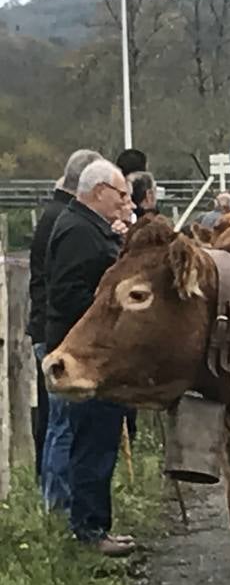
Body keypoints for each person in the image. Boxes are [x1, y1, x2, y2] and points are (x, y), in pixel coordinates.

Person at [43, 158, 137, 557]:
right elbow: (66, 296)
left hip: (89, 353)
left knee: (96, 442)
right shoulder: (80, 232)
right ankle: (89, 529)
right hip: (84, 356)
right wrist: (110, 309)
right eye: (121, 194)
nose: (126, 201)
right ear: (98, 192)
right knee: (91, 443)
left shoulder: (87, 226)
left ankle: (93, 525)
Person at [27, 149, 102, 483]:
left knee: (57, 422)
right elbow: (65, 286)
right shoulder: (68, 221)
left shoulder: (55, 214)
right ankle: (56, 500)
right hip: (56, 330)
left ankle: (54, 497)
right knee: (62, 424)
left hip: (48, 326)